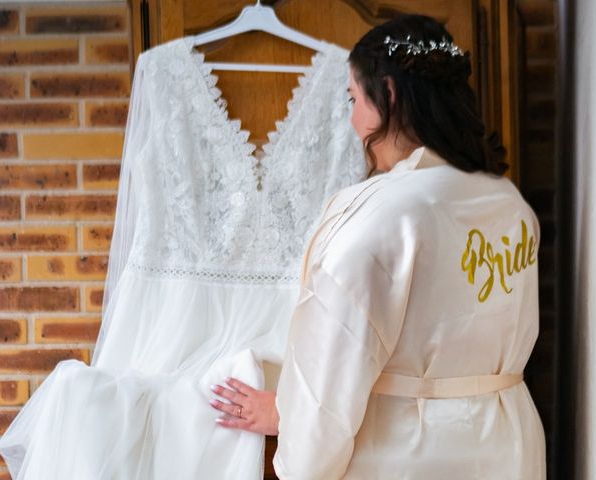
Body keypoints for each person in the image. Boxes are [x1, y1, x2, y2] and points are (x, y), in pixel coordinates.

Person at [208, 13, 546, 480]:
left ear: (386, 94)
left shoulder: (377, 220)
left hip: (408, 455)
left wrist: (291, 425)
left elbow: (333, 361)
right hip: (508, 447)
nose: (351, 120)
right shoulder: (508, 202)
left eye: (353, 98)